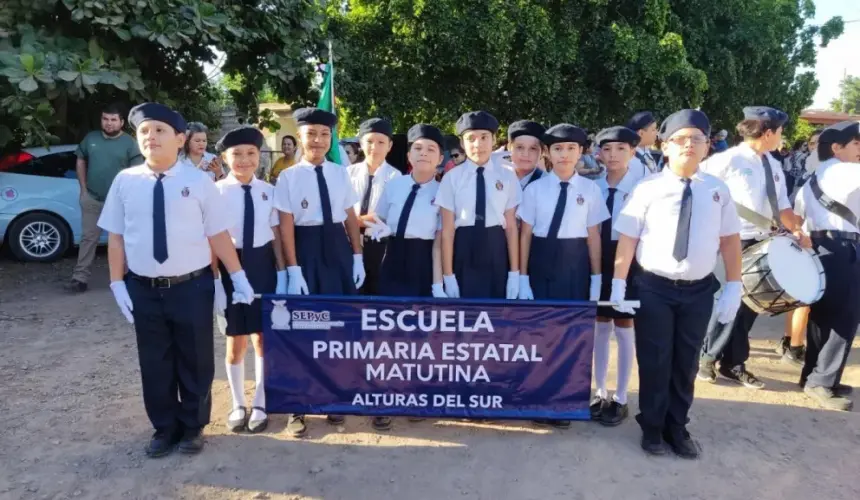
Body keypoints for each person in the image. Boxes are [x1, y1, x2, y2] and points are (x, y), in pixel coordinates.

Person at [98, 103, 256, 457]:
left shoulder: (200, 182)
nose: (150, 137)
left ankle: (192, 426)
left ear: (180, 139)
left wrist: (237, 275)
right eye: (143, 132)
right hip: (144, 287)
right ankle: (164, 428)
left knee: (195, 358)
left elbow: (217, 234)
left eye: (159, 131)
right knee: (155, 361)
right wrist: (117, 282)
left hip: (192, 286)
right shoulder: (125, 182)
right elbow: (117, 236)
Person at [612, 109, 743, 459]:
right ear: (665, 146)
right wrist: (618, 287)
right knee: (655, 359)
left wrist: (734, 284)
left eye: (696, 139)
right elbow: (627, 240)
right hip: (654, 287)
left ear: (706, 147)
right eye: (680, 140)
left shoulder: (718, 190)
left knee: (686, 362)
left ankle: (677, 426)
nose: (689, 145)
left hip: (699, 289)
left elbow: (730, 239)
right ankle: (652, 427)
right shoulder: (647, 188)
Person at [697, 106, 811, 389]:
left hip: (762, 241)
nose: (782, 137)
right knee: (727, 303)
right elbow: (701, 192)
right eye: (781, 131)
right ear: (769, 132)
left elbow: (782, 205)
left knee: (749, 307)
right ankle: (707, 357)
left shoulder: (772, 165)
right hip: (731, 240)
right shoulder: (727, 160)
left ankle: (732, 363)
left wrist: (797, 228)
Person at [274, 107, 365, 437]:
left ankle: (334, 397)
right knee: (304, 327)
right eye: (311, 133)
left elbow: (350, 217)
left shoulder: (341, 174)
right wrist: (293, 269)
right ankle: (299, 405)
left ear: (331, 139)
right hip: (307, 248)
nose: (318, 140)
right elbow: (285, 227)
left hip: (338, 250)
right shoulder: (288, 177)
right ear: (300, 137)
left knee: (338, 325)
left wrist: (357, 256)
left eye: (324, 134)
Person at [518, 123, 608, 428]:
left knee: (570, 334)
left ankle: (563, 402)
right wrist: (521, 274)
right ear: (548, 153)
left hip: (575, 264)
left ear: (581, 152)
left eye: (571, 148)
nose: (564, 154)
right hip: (542, 261)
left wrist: (596, 277)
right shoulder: (535, 189)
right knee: (541, 333)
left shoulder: (591, 190)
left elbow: (593, 235)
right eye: (557, 148)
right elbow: (525, 234)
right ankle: (537, 397)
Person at [362, 124, 448, 430]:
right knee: (388, 330)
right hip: (393, 258)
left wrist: (440, 281)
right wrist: (378, 228)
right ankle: (383, 397)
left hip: (425, 260)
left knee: (422, 333)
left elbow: (442, 238)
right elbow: (378, 217)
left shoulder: (444, 190)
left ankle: (416, 395)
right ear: (409, 154)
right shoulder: (395, 185)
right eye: (418, 149)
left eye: (431, 150)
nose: (424, 154)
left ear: (440, 157)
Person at [213, 127, 288, 434]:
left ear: (259, 156)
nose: (244, 160)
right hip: (231, 265)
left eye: (251, 154)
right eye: (237, 154)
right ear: (224, 158)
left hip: (262, 265)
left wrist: (283, 272)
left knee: (262, 337)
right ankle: (236, 403)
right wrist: (217, 280)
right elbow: (212, 239)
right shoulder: (215, 192)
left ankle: (259, 399)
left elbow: (277, 236)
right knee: (235, 339)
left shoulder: (268, 191)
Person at [793, 120, 860, 411]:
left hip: (820, 247)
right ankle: (822, 381)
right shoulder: (844, 170)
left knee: (822, 315)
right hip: (843, 248)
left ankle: (814, 374)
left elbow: (799, 216)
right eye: (857, 144)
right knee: (845, 317)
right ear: (836, 148)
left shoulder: (811, 178)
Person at [591, 126, 647, 427]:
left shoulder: (643, 187)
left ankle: (622, 396)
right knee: (600, 323)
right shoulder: (594, 186)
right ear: (599, 153)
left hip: (631, 258)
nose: (613, 155)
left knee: (625, 324)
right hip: (600, 256)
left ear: (632, 152)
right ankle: (599, 392)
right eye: (607, 149)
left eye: (621, 149)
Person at [435, 111, 521, 299]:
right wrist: (448, 275)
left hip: (496, 246)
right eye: (471, 138)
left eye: (484, 137)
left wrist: (515, 273)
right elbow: (447, 231)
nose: (478, 144)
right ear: (462, 143)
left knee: (496, 315)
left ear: (494, 139)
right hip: (464, 246)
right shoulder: (452, 178)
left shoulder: (507, 175)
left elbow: (512, 227)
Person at [65, 103, 144, 293]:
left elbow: (137, 172)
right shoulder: (91, 138)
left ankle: (127, 277)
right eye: (105, 119)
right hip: (92, 198)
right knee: (88, 239)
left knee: (122, 239)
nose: (109, 123)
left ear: (122, 122)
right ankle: (79, 278)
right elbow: (81, 159)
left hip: (119, 201)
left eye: (113, 120)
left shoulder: (130, 143)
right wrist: (83, 189)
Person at [347, 118, 400, 295]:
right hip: (349, 243)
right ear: (361, 143)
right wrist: (359, 221)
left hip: (379, 246)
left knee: (376, 292)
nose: (374, 147)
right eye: (369, 141)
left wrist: (353, 220)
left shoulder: (396, 176)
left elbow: (384, 217)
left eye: (381, 142)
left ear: (390, 146)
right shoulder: (348, 173)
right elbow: (339, 210)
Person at [505, 120, 546, 189]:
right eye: (520, 147)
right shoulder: (497, 177)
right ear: (509, 147)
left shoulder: (549, 184)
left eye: (533, 148)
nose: (526, 154)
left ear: (542, 152)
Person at [626, 111, 660, 175]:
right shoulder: (627, 159)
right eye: (653, 130)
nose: (657, 133)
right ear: (641, 133)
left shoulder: (646, 153)